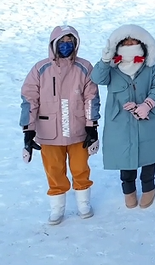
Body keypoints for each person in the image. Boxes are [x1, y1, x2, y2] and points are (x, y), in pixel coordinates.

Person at [20, 25, 100, 224]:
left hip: (78, 130)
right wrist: (28, 130)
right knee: (54, 169)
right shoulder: (40, 69)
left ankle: (83, 202)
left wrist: (92, 126)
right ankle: (57, 207)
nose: (66, 45)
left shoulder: (84, 67)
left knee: (80, 167)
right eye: (62, 42)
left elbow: (91, 98)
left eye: (70, 42)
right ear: (53, 44)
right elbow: (29, 99)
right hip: (49, 132)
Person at [91, 25, 155, 209]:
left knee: (147, 154)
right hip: (120, 121)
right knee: (125, 156)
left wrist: (147, 104)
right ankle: (129, 191)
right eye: (125, 42)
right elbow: (97, 78)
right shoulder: (112, 67)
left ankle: (149, 188)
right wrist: (105, 60)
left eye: (133, 41)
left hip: (146, 119)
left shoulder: (150, 67)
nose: (130, 45)